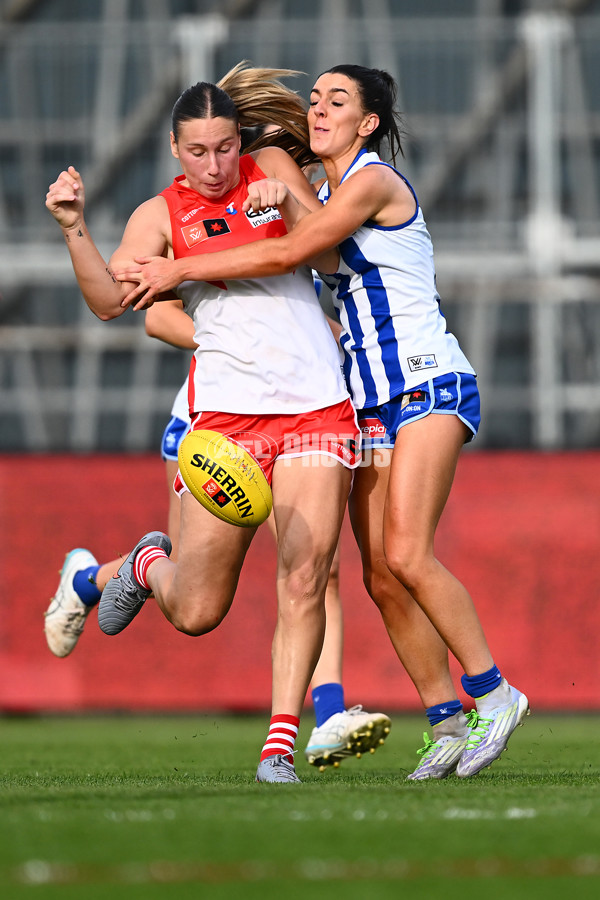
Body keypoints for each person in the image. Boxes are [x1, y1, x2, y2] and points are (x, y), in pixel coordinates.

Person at [116, 62, 530, 781]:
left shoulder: (372, 182)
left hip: (425, 381)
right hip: (369, 396)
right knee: (378, 575)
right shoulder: (326, 190)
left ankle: (494, 693)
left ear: (368, 123)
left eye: (337, 100)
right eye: (313, 98)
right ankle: (446, 721)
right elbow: (290, 246)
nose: (318, 108)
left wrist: (180, 268)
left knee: (405, 553)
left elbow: (288, 252)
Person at [44, 65, 393, 784]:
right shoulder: (158, 215)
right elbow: (113, 302)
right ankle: (143, 563)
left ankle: (279, 750)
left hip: (314, 407)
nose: (214, 165)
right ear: (176, 149)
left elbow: (327, 256)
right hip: (226, 423)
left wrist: (289, 205)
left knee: (307, 575)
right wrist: (75, 230)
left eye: (225, 148)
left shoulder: (269, 167)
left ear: (243, 141)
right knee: (198, 611)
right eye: (198, 152)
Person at [44, 297, 391, 770]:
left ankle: (328, 717)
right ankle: (89, 580)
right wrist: (249, 347)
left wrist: (314, 338)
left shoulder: (293, 225)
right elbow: (157, 316)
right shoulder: (189, 224)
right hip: (216, 420)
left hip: (299, 415)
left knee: (316, 569)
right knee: (189, 592)